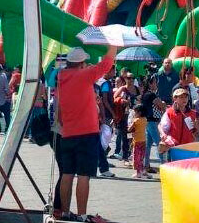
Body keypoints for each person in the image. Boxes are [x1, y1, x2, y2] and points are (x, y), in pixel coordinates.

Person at [56, 46, 117, 222]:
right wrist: (113, 48)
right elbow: (105, 65)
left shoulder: (61, 77)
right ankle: (82, 215)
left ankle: (66, 212)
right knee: (84, 175)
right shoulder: (85, 75)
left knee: (67, 173)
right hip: (87, 132)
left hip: (67, 132)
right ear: (82, 63)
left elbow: (59, 108)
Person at [158, 88, 199, 158]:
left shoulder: (193, 113)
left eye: (186, 97)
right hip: (173, 148)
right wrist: (163, 134)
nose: (184, 99)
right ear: (175, 99)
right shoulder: (169, 112)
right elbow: (161, 126)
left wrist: (196, 128)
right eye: (181, 97)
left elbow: (195, 132)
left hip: (188, 148)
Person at [140, 75, 167, 173]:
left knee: (148, 145)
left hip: (147, 121)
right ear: (151, 84)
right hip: (153, 122)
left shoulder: (144, 94)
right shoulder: (152, 95)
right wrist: (163, 103)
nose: (157, 84)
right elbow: (161, 105)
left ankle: (145, 165)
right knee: (160, 143)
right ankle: (164, 164)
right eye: (155, 82)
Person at [128, 104, 149, 179]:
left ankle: (138, 173)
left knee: (136, 157)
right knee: (141, 156)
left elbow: (129, 129)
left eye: (135, 112)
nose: (134, 114)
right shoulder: (145, 119)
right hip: (143, 140)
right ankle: (142, 170)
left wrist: (131, 123)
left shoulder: (136, 120)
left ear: (139, 113)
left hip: (137, 141)